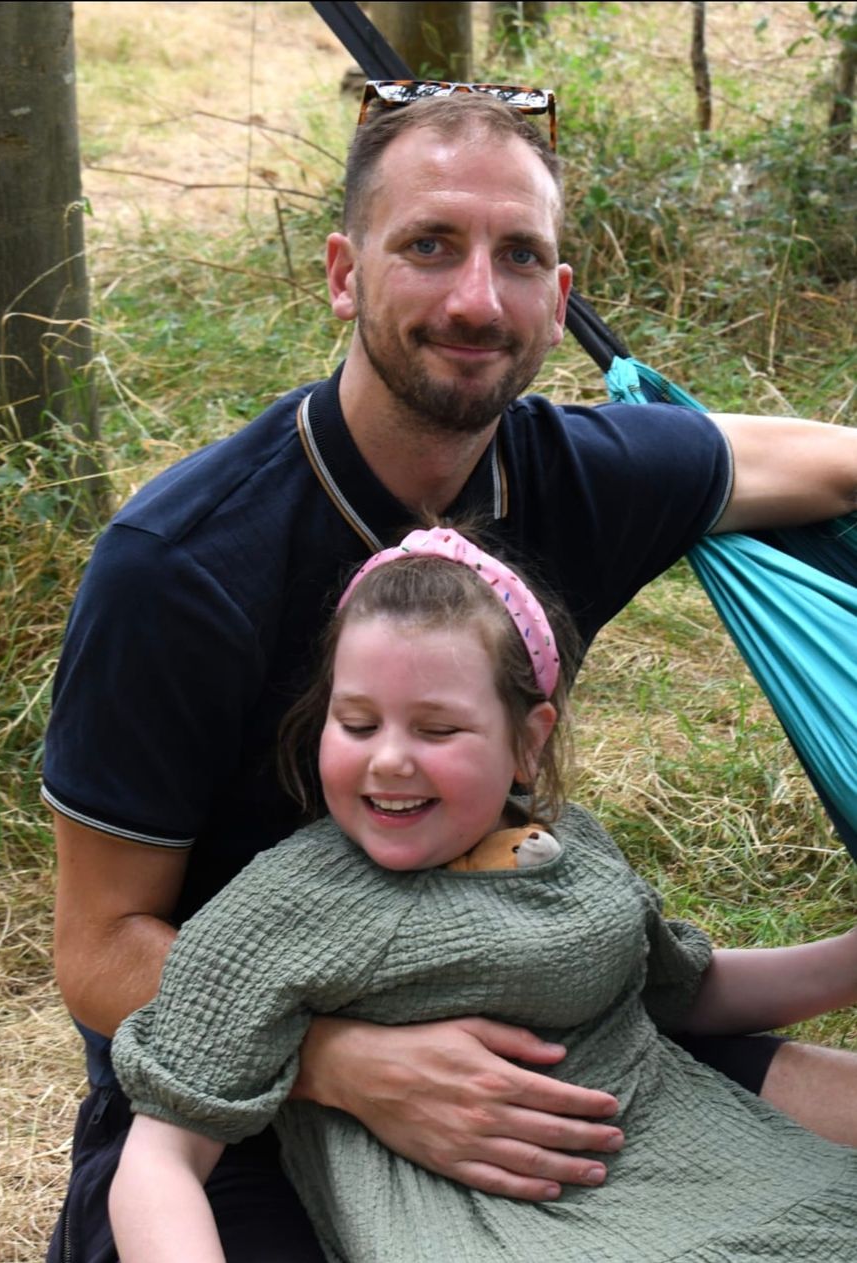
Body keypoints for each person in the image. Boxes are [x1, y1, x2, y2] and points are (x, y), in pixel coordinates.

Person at [43, 90, 857, 1262]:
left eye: (516, 256)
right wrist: (346, 1062)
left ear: (556, 299)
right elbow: (97, 949)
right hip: (245, 1094)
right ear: (343, 271)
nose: (476, 299)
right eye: (428, 245)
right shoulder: (181, 568)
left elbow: (821, 466)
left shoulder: (575, 474)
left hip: (547, 1029)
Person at [107, 527, 857, 1263]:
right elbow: (161, 1156)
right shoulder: (287, 908)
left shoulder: (575, 851)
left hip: (704, 1168)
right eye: (357, 722)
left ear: (529, 741)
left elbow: (681, 991)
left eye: (437, 729)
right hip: (484, 1229)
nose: (391, 758)